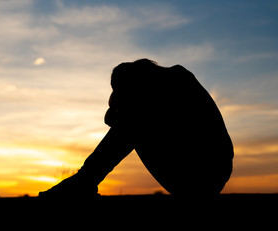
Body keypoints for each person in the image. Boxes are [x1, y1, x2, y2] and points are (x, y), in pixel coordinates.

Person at [39, 59, 234, 199]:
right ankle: (85, 181)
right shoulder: (150, 95)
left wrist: (122, 110)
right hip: (191, 173)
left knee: (132, 122)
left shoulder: (176, 79)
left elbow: (118, 120)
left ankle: (84, 181)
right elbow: (112, 119)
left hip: (204, 173)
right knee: (131, 122)